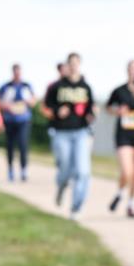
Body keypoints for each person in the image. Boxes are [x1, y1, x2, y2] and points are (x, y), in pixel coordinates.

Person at [44, 53, 96, 220]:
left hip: (81, 132)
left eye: (76, 63)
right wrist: (56, 112)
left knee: (82, 171)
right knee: (65, 168)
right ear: (67, 65)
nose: (73, 66)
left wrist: (91, 115)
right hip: (61, 133)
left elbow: (90, 109)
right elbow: (46, 107)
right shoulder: (57, 86)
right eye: (70, 63)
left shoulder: (85, 87)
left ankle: (76, 207)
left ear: (80, 64)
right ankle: (61, 185)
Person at [106, 60, 134, 218]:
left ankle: (131, 204)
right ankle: (120, 192)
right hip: (124, 134)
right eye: (131, 69)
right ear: (127, 71)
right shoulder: (119, 90)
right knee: (127, 170)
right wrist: (117, 110)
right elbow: (109, 107)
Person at [0, 64, 37, 182]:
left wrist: (27, 102)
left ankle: (23, 170)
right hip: (10, 120)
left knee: (23, 145)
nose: (17, 74)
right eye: (15, 72)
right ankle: (10, 170)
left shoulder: (26, 86)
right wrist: (8, 106)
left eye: (19, 72)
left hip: (23, 120)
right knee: (10, 146)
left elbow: (33, 100)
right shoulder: (6, 86)